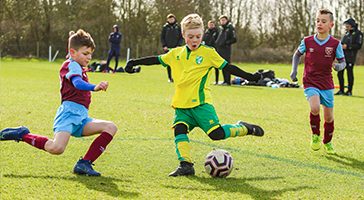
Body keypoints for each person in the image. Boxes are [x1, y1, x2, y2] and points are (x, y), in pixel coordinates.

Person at [125, 13, 264, 177]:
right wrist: (134, 62)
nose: (194, 40)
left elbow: (229, 67)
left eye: (198, 36)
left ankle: (243, 128)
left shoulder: (208, 53)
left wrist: (250, 77)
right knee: (179, 129)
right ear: (183, 35)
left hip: (201, 104)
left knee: (216, 134)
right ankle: (186, 165)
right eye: (190, 36)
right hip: (182, 105)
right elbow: (156, 59)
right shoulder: (176, 53)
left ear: (202, 35)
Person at [0, 29, 117, 176]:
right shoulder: (72, 65)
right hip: (68, 114)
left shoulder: (77, 64)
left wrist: (72, 39)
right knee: (57, 148)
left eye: (90, 54)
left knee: (110, 127)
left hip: (81, 117)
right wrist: (95, 87)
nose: (89, 57)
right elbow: (77, 82)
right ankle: (23, 135)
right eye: (85, 54)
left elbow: (75, 57)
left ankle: (84, 164)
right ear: (73, 53)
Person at [290, 9, 346, 154]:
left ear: (331, 25)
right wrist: (294, 70)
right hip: (310, 81)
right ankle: (315, 135)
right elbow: (297, 55)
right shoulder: (307, 41)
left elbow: (343, 62)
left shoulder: (335, 44)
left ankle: (327, 142)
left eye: (323, 21)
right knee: (314, 108)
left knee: (329, 118)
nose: (319, 24)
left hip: (327, 83)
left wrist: (338, 66)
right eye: (317, 21)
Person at [335, 18, 363, 96]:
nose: (346, 28)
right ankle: (341, 90)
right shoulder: (346, 34)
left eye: (348, 26)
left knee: (349, 74)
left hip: (351, 57)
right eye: (346, 26)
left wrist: (347, 47)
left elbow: (358, 45)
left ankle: (349, 91)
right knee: (340, 73)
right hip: (342, 57)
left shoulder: (358, 33)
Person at [160, 13, 184, 82]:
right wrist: (164, 45)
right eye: (170, 19)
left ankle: (177, 77)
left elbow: (181, 37)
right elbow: (162, 37)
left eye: (172, 19)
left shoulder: (178, 27)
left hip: (176, 48)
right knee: (169, 63)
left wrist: (179, 45)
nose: (171, 20)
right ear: (168, 20)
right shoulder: (165, 28)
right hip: (168, 48)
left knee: (177, 63)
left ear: (174, 19)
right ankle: (170, 77)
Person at [215, 15, 237, 85]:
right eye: (221, 20)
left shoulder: (230, 28)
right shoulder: (221, 29)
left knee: (227, 65)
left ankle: (228, 81)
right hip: (220, 49)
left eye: (224, 20)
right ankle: (224, 80)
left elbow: (234, 39)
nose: (222, 22)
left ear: (227, 20)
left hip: (226, 50)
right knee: (222, 64)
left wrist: (226, 43)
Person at [203, 20, 219, 84]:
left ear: (214, 25)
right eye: (210, 25)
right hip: (207, 51)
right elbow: (204, 41)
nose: (211, 26)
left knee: (216, 67)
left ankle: (217, 80)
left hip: (215, 50)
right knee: (206, 67)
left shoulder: (217, 32)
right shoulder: (206, 33)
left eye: (212, 25)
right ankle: (205, 80)